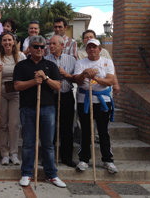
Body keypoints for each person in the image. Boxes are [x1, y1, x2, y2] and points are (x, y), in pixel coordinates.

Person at [14, 35, 66, 188]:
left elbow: (58, 86)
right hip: (27, 108)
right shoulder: (22, 66)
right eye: (36, 46)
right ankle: (26, 173)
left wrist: (45, 78)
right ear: (29, 48)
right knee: (29, 143)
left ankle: (52, 175)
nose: (39, 50)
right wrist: (33, 82)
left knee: (48, 144)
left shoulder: (50, 65)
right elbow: (17, 86)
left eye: (42, 47)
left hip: (47, 108)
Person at [73, 39, 118, 174]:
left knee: (103, 131)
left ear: (99, 49)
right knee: (86, 131)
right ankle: (84, 159)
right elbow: (77, 80)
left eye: (94, 47)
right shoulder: (81, 63)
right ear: (86, 50)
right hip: (85, 100)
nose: (92, 49)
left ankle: (108, 160)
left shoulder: (107, 62)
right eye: (89, 47)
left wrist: (96, 78)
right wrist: (84, 74)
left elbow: (110, 80)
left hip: (103, 100)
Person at [0, 32, 26, 165]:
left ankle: (14, 152)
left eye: (9, 40)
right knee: (2, 124)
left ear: (14, 42)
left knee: (14, 124)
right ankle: (4, 153)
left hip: (16, 92)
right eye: (4, 40)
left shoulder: (21, 56)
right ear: (1, 43)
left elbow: (25, 74)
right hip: (1, 91)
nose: (7, 42)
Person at [44, 35, 76, 168]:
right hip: (51, 96)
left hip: (66, 95)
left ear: (62, 46)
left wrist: (66, 75)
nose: (51, 46)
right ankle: (48, 158)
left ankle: (67, 157)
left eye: (54, 44)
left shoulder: (72, 60)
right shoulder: (45, 60)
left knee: (67, 127)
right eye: (50, 44)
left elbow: (77, 78)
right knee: (49, 128)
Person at [77, 29, 120, 94]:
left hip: (103, 88)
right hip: (86, 90)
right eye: (86, 37)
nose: (89, 38)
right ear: (83, 40)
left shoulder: (104, 52)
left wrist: (115, 83)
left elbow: (111, 68)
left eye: (91, 37)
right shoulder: (79, 53)